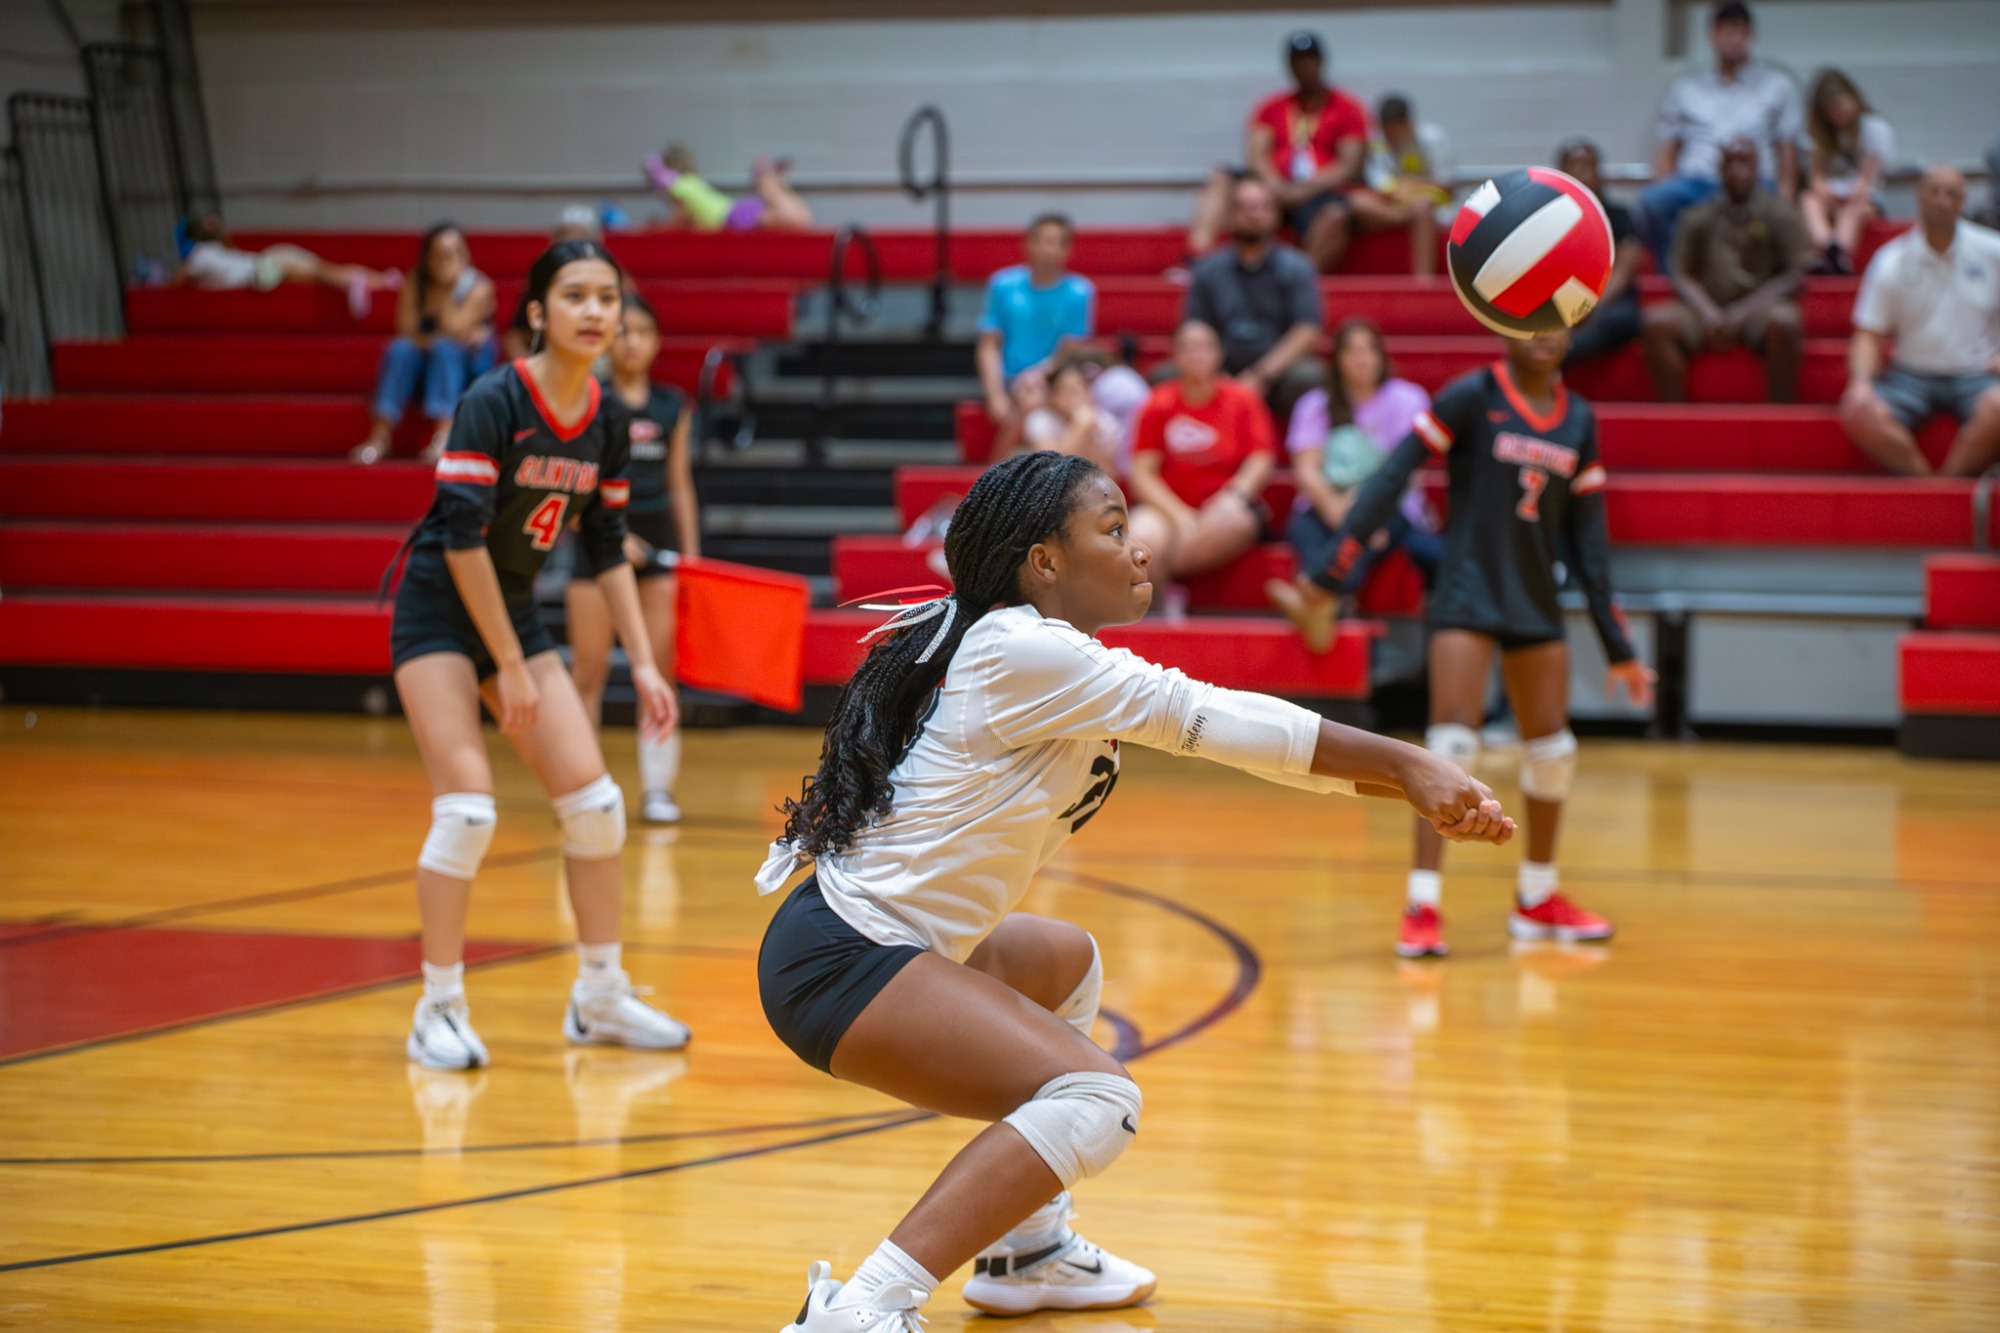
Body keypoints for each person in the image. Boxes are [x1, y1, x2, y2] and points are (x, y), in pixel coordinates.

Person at [755, 449, 1516, 1330]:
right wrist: (1407, 763)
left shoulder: (1023, 644)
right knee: (1098, 1097)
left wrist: (1411, 784)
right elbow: (1217, 720)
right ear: (1043, 562)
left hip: (863, 941)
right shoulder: (1021, 649)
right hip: (842, 960)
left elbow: (1244, 734)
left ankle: (1028, 1252)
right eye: (1114, 530)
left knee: (1066, 962)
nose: (1141, 547)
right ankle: (859, 1310)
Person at [385, 238, 688, 1070]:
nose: (597, 311)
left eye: (608, 297)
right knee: (468, 811)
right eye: (577, 296)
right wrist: (510, 662)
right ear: (536, 313)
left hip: (513, 614)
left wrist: (647, 664)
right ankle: (437, 1008)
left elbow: (606, 544)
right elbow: (457, 538)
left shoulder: (607, 420)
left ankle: (598, 997)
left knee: (596, 807)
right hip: (440, 613)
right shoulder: (493, 399)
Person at [1308, 329, 1656, 959]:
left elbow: (1591, 541)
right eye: (1531, 322)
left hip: (1535, 603)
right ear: (1503, 325)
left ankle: (1537, 898)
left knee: (1553, 752)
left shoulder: (1577, 418)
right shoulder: (1472, 395)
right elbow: (1392, 477)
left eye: (1559, 323)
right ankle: (1422, 904)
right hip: (1466, 595)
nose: (1546, 336)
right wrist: (1337, 565)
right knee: (1450, 748)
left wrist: (1620, 648)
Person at [565, 292, 699, 824]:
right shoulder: (588, 398)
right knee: (588, 674)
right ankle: (581, 790)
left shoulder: (672, 405)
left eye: (643, 331)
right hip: (597, 550)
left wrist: (689, 554)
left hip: (658, 551)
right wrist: (606, 533)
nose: (632, 341)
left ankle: (658, 790)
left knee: (658, 674)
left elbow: (680, 484)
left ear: (656, 341)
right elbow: (572, 483)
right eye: (624, 330)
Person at [1266, 319, 1442, 648]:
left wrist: (1361, 509)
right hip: (1325, 504)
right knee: (1309, 529)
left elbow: (1407, 471)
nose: (1362, 359)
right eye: (1352, 351)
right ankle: (1326, 604)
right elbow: (1306, 470)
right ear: (1337, 360)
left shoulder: (1409, 399)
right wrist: (1338, 510)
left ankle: (1314, 594)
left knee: (1367, 536)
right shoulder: (1315, 404)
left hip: (1389, 504)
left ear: (1381, 356)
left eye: (1369, 350)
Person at [1840, 166, 2000, 478]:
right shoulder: (1890, 259)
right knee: (1857, 412)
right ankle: (1925, 481)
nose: (1942, 201)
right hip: (1909, 375)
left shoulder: (1993, 250)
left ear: (1963, 200)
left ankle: (1948, 484)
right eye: (1934, 192)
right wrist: (1860, 382)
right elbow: (1869, 334)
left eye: (1951, 193)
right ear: (1919, 198)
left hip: (1976, 373)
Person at [1641, 138, 1810, 403]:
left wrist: (1742, 313)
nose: (1737, 170)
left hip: (1760, 309)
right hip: (1707, 308)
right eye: (1730, 163)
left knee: (1785, 321)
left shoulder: (1780, 212)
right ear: (1719, 168)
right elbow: (1680, 271)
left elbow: (1796, 273)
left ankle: (1780, 410)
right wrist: (1707, 310)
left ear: (1757, 166)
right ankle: (1676, 413)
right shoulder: (1698, 214)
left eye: (1745, 162)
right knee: (1657, 323)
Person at [1640, 2, 1802, 269]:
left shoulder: (1777, 85)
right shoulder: (1685, 88)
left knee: (1777, 214)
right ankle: (1674, 274)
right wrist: (1662, 180)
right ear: (1712, 35)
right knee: (1652, 202)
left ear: (1751, 36)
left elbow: (1788, 148)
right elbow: (1667, 147)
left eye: (1739, 31)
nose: (1732, 38)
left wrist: (1785, 198)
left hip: (1755, 184)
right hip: (1697, 182)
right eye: (1725, 31)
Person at [1127, 321, 1278, 588]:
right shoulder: (1158, 402)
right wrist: (1179, 515)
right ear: (1176, 356)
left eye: (1205, 347)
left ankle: (1164, 583)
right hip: (1167, 506)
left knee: (1234, 518)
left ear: (1219, 354)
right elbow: (1142, 472)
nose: (1197, 354)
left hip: (1222, 502)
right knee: (1142, 534)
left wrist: (1235, 494)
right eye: (1189, 348)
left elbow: (1261, 457)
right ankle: (1159, 607)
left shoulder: (1242, 398)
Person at [1185, 176, 1327, 426]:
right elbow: (1196, 328)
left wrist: (1259, 376)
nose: (1255, 214)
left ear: (1275, 214)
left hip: (1278, 377)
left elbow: (1307, 330)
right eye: (1246, 207)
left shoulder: (1297, 267)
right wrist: (1221, 379)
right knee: (1167, 376)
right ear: (1230, 215)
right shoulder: (1207, 270)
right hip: (1218, 373)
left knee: (1312, 376)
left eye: (1262, 207)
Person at [352, 224, 498, 465]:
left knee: (445, 348)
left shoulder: (478, 285)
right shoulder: (416, 282)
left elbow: (457, 327)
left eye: (452, 253)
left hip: (465, 364)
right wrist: (433, 335)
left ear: (464, 254)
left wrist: (446, 291)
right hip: (423, 358)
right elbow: (406, 327)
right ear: (427, 256)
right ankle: (380, 436)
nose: (445, 261)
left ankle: (443, 435)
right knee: (400, 349)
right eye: (439, 254)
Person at [977, 214, 1097, 457]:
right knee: (1031, 406)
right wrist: (995, 395)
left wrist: (1039, 375)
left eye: (1057, 242)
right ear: (1028, 244)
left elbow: (1069, 350)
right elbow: (989, 346)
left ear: (1068, 250)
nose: (1049, 249)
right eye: (1044, 241)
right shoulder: (1003, 284)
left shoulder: (1080, 291)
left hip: (1056, 374)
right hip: (1012, 378)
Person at [176, 214, 394, 317]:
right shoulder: (220, 251)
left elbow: (175, 283)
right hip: (273, 257)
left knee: (319, 272)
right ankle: (380, 279)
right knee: (322, 269)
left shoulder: (197, 255)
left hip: (262, 269)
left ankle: (351, 283)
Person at [1554, 138, 1646, 366]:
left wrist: (1588, 307)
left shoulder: (1619, 216)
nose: (1581, 173)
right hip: (1562, 307)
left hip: (1608, 307)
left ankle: (1564, 351)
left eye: (1587, 166)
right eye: (1573, 166)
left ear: (1599, 173)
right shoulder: (1546, 221)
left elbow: (1624, 270)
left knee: (1623, 319)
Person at [1799, 69, 1895, 275]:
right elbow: (1816, 179)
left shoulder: (1874, 128)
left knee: (1852, 209)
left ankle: (1838, 254)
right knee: (1809, 200)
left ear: (1853, 97)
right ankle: (1828, 249)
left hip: (1865, 200)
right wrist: (1827, 193)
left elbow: (1868, 180)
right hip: (1832, 199)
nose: (1838, 113)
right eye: (1831, 110)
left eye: (1841, 105)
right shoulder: (1819, 136)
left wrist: (1847, 195)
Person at [1356, 94, 1451, 278]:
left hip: (1430, 201)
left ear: (1408, 125)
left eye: (1394, 132)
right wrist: (1396, 191)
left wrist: (1412, 186)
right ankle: (1409, 218)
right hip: (1392, 202)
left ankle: (1423, 280)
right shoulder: (1377, 142)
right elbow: (1377, 182)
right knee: (1357, 202)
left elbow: (1446, 183)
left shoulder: (1433, 138)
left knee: (1422, 207)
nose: (1390, 138)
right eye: (1386, 132)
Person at [644, 141, 813, 232]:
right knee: (799, 219)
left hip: (731, 217)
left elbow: (679, 219)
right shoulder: (692, 182)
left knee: (793, 220)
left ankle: (767, 181)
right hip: (734, 211)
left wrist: (656, 229)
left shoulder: (680, 187)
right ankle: (774, 183)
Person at [1020, 357, 1121, 473]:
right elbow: (1052, 470)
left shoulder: (1105, 422)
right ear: (1052, 396)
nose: (1073, 396)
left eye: (1078, 389)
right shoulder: (1040, 419)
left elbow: (1107, 474)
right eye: (1065, 389)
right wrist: (1080, 426)